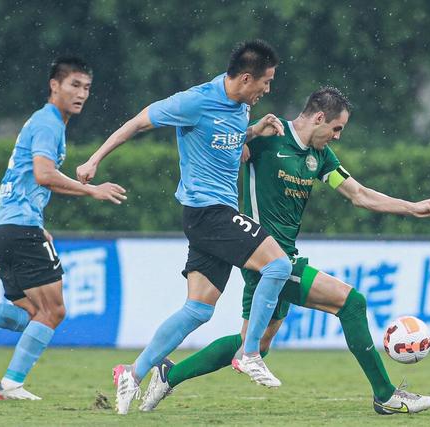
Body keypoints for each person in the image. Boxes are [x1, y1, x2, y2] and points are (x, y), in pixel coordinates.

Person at [138, 86, 430, 415]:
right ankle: (385, 395)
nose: (338, 136)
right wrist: (242, 141)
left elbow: (359, 194)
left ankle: (169, 375)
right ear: (319, 118)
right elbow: (220, 146)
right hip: (262, 258)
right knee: (351, 303)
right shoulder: (269, 135)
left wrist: (414, 207)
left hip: (283, 258)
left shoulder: (320, 158)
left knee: (255, 344)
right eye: (336, 128)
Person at [76, 40, 292, 414]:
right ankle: (250, 353)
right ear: (246, 78)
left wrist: (253, 132)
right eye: (266, 81)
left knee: (198, 310)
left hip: (212, 215)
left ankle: (132, 372)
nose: (268, 89)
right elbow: (137, 122)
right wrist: (94, 160)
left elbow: (226, 141)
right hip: (208, 213)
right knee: (278, 265)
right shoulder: (194, 101)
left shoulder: (242, 106)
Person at [0, 57, 127, 400]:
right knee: (54, 311)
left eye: (86, 88)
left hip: (5, 229)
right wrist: (92, 190)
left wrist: (38, 225)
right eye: (74, 85)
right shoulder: (48, 123)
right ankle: (11, 384)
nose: (82, 94)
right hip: (19, 229)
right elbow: (43, 174)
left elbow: (27, 179)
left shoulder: (43, 122)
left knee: (33, 316)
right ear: (54, 85)